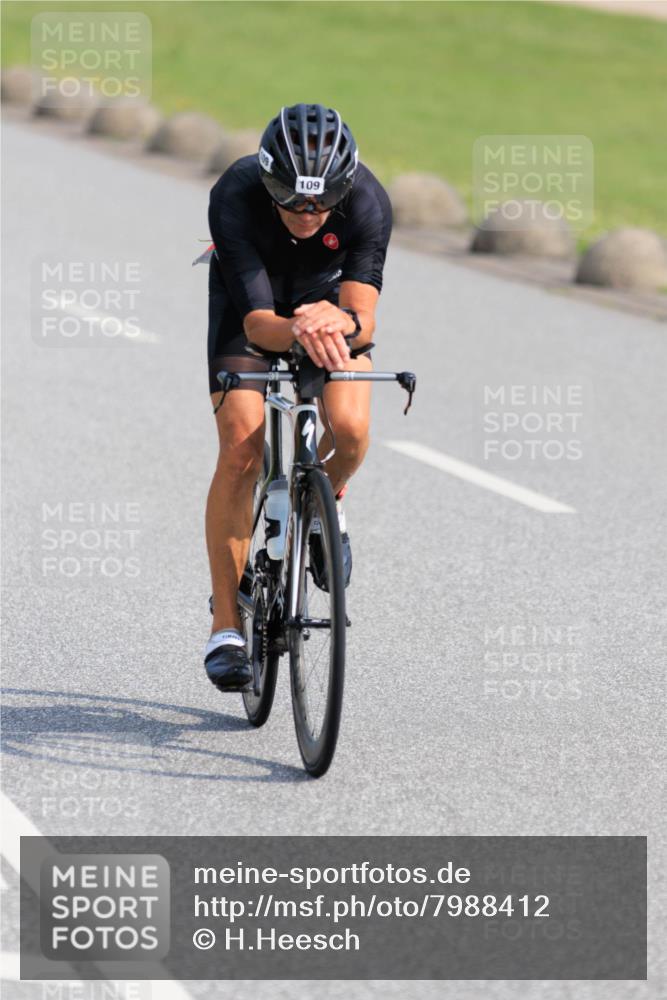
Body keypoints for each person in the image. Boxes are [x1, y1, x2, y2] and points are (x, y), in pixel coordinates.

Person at [204, 102, 392, 691]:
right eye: (291, 198)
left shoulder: (367, 201)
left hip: (329, 307)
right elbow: (260, 325)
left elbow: (365, 319)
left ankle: (325, 504)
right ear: (267, 181)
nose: (308, 213)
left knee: (353, 433)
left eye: (321, 200)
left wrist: (333, 323)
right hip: (252, 310)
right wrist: (303, 328)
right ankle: (226, 625)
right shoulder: (234, 193)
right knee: (241, 449)